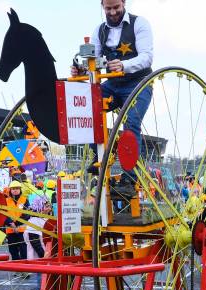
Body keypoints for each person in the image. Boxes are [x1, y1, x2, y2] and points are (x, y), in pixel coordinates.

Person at [72, 0, 153, 187]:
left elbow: (147, 57)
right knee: (87, 106)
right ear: (102, 6)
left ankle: (130, 177)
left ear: (124, 3)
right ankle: (98, 155)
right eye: (108, 9)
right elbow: (95, 61)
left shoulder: (139, 24)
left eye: (116, 7)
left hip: (138, 83)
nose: (113, 12)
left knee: (131, 122)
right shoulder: (99, 31)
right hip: (113, 85)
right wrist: (81, 70)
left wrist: (124, 65)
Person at [5, 181, 28, 261]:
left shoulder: (24, 200)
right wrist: (11, 223)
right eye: (13, 189)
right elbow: (4, 214)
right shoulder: (6, 201)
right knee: (13, 251)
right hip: (10, 231)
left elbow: (26, 215)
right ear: (10, 190)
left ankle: (25, 270)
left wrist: (16, 224)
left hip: (22, 230)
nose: (15, 190)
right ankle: (18, 270)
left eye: (17, 188)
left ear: (20, 189)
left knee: (24, 251)